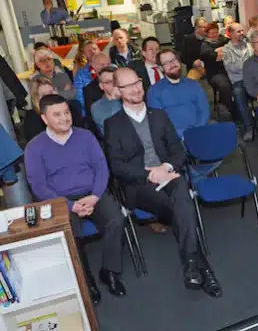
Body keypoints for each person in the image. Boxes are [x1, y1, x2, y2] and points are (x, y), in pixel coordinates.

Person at [105, 67, 222, 297]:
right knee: (183, 207)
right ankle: (203, 268)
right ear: (118, 91)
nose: (136, 88)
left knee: (180, 192)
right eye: (128, 86)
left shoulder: (159, 115)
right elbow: (117, 166)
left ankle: (192, 264)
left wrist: (166, 168)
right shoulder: (113, 124)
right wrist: (149, 174)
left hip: (169, 176)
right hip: (140, 186)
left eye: (137, 82)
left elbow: (179, 152)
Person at [25, 95, 127, 304]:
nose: (64, 118)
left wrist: (95, 196)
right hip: (61, 201)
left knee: (116, 219)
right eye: (57, 114)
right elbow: (38, 186)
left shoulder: (86, 136)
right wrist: (70, 206)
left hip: (92, 193)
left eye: (66, 112)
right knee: (71, 233)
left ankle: (110, 271)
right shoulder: (34, 148)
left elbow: (101, 167)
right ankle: (85, 279)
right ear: (45, 119)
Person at [147, 49, 210, 138]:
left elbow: (204, 110)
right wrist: (183, 136)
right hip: (174, 140)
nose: (172, 64)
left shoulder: (193, 85)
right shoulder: (154, 91)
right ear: (161, 68)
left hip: (200, 133)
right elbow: (160, 122)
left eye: (173, 60)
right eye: (167, 63)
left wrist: (197, 131)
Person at [182, 20, 237, 122]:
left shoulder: (224, 40)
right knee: (191, 83)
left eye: (216, 32)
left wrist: (220, 51)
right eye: (202, 27)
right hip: (199, 68)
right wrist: (194, 62)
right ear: (197, 28)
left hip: (227, 69)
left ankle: (232, 104)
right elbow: (185, 57)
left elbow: (230, 49)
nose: (214, 35)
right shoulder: (193, 41)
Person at [24, 77, 84, 142]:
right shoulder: (32, 119)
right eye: (44, 95)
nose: (49, 97)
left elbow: (80, 133)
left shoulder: (71, 108)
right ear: (36, 99)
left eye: (51, 92)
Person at [223, 23, 253, 140]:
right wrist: (247, 64)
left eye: (242, 30)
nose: (242, 33)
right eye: (238, 31)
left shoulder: (248, 45)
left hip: (252, 79)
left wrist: (244, 65)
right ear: (230, 34)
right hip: (239, 81)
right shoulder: (226, 50)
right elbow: (231, 68)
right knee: (238, 93)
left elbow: (253, 62)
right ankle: (248, 127)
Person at [82, 53, 112, 132]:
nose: (106, 67)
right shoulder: (89, 89)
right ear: (94, 67)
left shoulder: (120, 81)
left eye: (108, 64)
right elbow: (91, 118)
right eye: (102, 65)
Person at [90, 66, 122, 137]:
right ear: (101, 86)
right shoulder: (96, 107)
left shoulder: (129, 97)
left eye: (115, 80)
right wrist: (114, 100)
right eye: (108, 82)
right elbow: (115, 131)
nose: (113, 84)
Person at [73, 40, 101, 112]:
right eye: (89, 51)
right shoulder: (80, 75)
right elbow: (80, 98)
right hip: (92, 110)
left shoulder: (111, 67)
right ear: (84, 55)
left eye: (94, 49)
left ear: (99, 50)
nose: (93, 52)